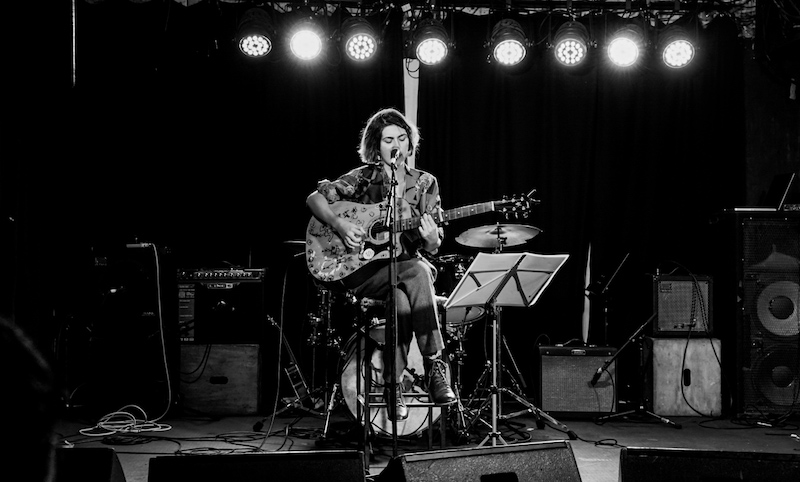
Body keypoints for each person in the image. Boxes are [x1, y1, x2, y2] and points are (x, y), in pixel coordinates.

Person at [306, 107, 456, 421]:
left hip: (404, 271)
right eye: (388, 140)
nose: (396, 145)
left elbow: (433, 246)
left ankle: (393, 387)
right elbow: (314, 199)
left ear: (410, 142)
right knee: (418, 271)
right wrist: (341, 224)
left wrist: (431, 238)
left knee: (402, 298)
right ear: (377, 145)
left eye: (401, 138)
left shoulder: (425, 183)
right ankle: (434, 366)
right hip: (362, 270)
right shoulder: (364, 178)